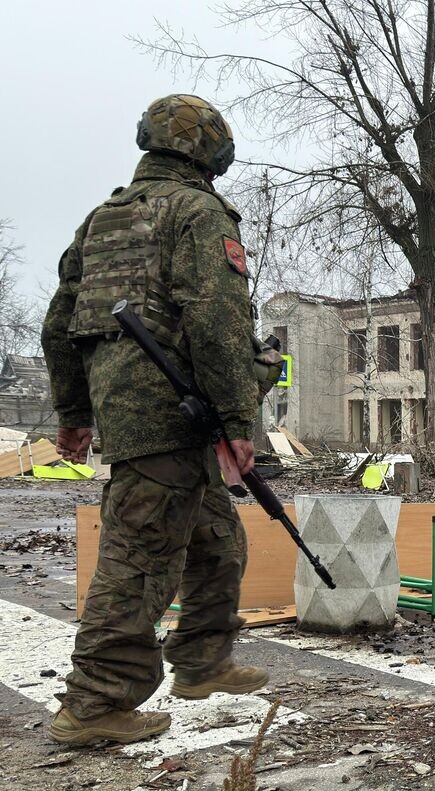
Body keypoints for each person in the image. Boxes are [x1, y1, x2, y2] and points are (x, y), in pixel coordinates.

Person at [41, 95, 273, 746]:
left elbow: (60, 323)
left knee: (217, 540)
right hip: (175, 412)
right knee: (139, 557)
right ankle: (94, 703)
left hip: (145, 414)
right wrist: (237, 421)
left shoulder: (102, 221)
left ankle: (202, 661)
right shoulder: (199, 213)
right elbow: (218, 323)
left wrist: (75, 412)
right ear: (210, 154)